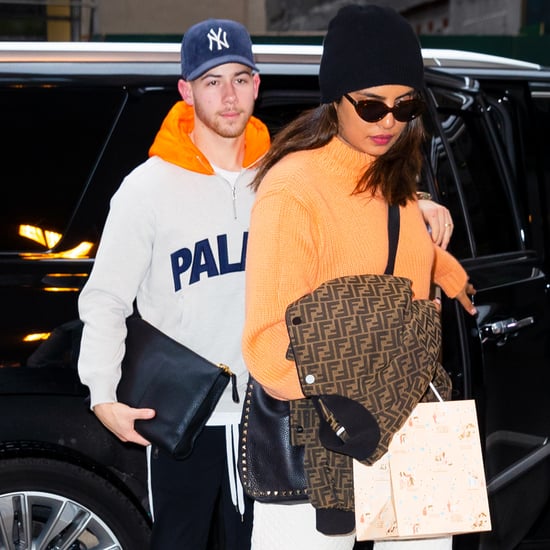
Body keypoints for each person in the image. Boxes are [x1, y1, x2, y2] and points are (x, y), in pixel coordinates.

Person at [241, 4, 477, 550]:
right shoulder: (293, 189)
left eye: (405, 105)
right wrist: (346, 401)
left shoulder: (395, 180)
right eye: (370, 106)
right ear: (335, 99)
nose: (388, 122)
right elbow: (266, 344)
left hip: (413, 414)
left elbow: (388, 259)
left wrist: (447, 270)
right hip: (325, 426)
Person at [77, 18, 270, 549]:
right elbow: (106, 298)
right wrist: (102, 393)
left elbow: (361, 191)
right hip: (186, 420)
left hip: (273, 416)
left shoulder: (285, 176)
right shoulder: (147, 188)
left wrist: (420, 203)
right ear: (186, 91)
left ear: (257, 83)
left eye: (239, 78)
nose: (228, 96)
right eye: (211, 81)